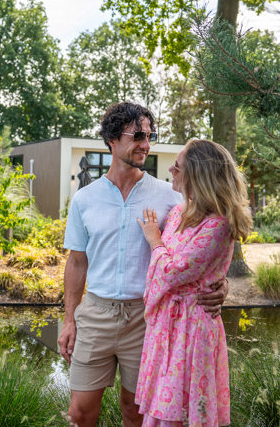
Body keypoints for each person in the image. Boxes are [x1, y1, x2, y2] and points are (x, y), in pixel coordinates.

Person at [59, 102, 229, 427]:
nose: (146, 145)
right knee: (80, 412)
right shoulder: (84, 199)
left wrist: (219, 283)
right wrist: (69, 320)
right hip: (95, 314)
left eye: (149, 136)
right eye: (137, 136)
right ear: (112, 140)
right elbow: (77, 263)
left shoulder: (171, 197)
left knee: (135, 411)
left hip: (149, 318)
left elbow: (199, 248)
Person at [136, 139, 253, 426]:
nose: (171, 171)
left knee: (186, 412)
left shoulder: (218, 224)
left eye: (177, 167)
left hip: (192, 327)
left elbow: (173, 272)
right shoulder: (178, 212)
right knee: (161, 408)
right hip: (167, 325)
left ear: (197, 175)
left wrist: (154, 239)